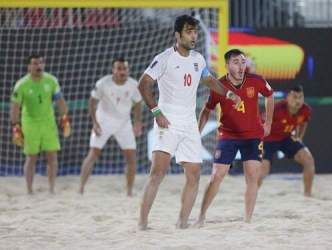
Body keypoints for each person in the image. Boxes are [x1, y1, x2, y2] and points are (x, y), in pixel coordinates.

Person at [137, 15, 241, 230]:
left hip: (189, 122)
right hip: (168, 120)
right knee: (157, 173)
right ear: (178, 35)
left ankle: (182, 223)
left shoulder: (198, 59)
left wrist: (229, 94)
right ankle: (142, 223)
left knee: (194, 174)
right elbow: (143, 85)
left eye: (195, 32)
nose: (193, 36)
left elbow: (209, 80)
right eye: (189, 32)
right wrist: (157, 112)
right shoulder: (164, 58)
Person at [195, 49, 274, 226]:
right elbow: (206, 110)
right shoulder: (219, 86)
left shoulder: (256, 80)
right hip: (228, 135)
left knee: (252, 176)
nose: (240, 66)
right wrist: (196, 133)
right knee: (217, 175)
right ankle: (201, 216)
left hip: (253, 135)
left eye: (243, 62)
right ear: (227, 65)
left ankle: (247, 220)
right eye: (236, 62)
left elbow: (270, 95)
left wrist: (268, 123)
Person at [79, 58, 143, 197]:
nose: (122, 71)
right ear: (113, 70)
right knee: (93, 154)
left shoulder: (133, 84)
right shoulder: (103, 83)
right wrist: (95, 123)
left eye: (124, 68)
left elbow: (138, 103)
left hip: (124, 123)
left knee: (131, 157)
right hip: (104, 121)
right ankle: (81, 189)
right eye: (119, 68)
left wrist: (137, 122)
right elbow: (92, 102)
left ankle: (129, 192)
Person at [10, 54, 71, 194]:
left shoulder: (51, 81)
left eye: (41, 63)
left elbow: (60, 101)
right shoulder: (21, 84)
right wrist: (15, 127)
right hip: (30, 122)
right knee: (31, 157)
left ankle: (51, 189)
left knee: (52, 156)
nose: (39, 66)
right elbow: (15, 107)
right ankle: (29, 190)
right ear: (29, 67)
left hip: (48, 121)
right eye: (35, 63)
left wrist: (65, 118)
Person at [258, 85, 315, 197]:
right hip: (267, 139)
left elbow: (303, 123)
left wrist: (299, 137)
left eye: (300, 97)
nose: (298, 100)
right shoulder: (276, 109)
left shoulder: (306, 110)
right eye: (294, 97)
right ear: (288, 97)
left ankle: (307, 195)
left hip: (286, 138)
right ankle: (252, 193)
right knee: (264, 169)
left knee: (308, 160)